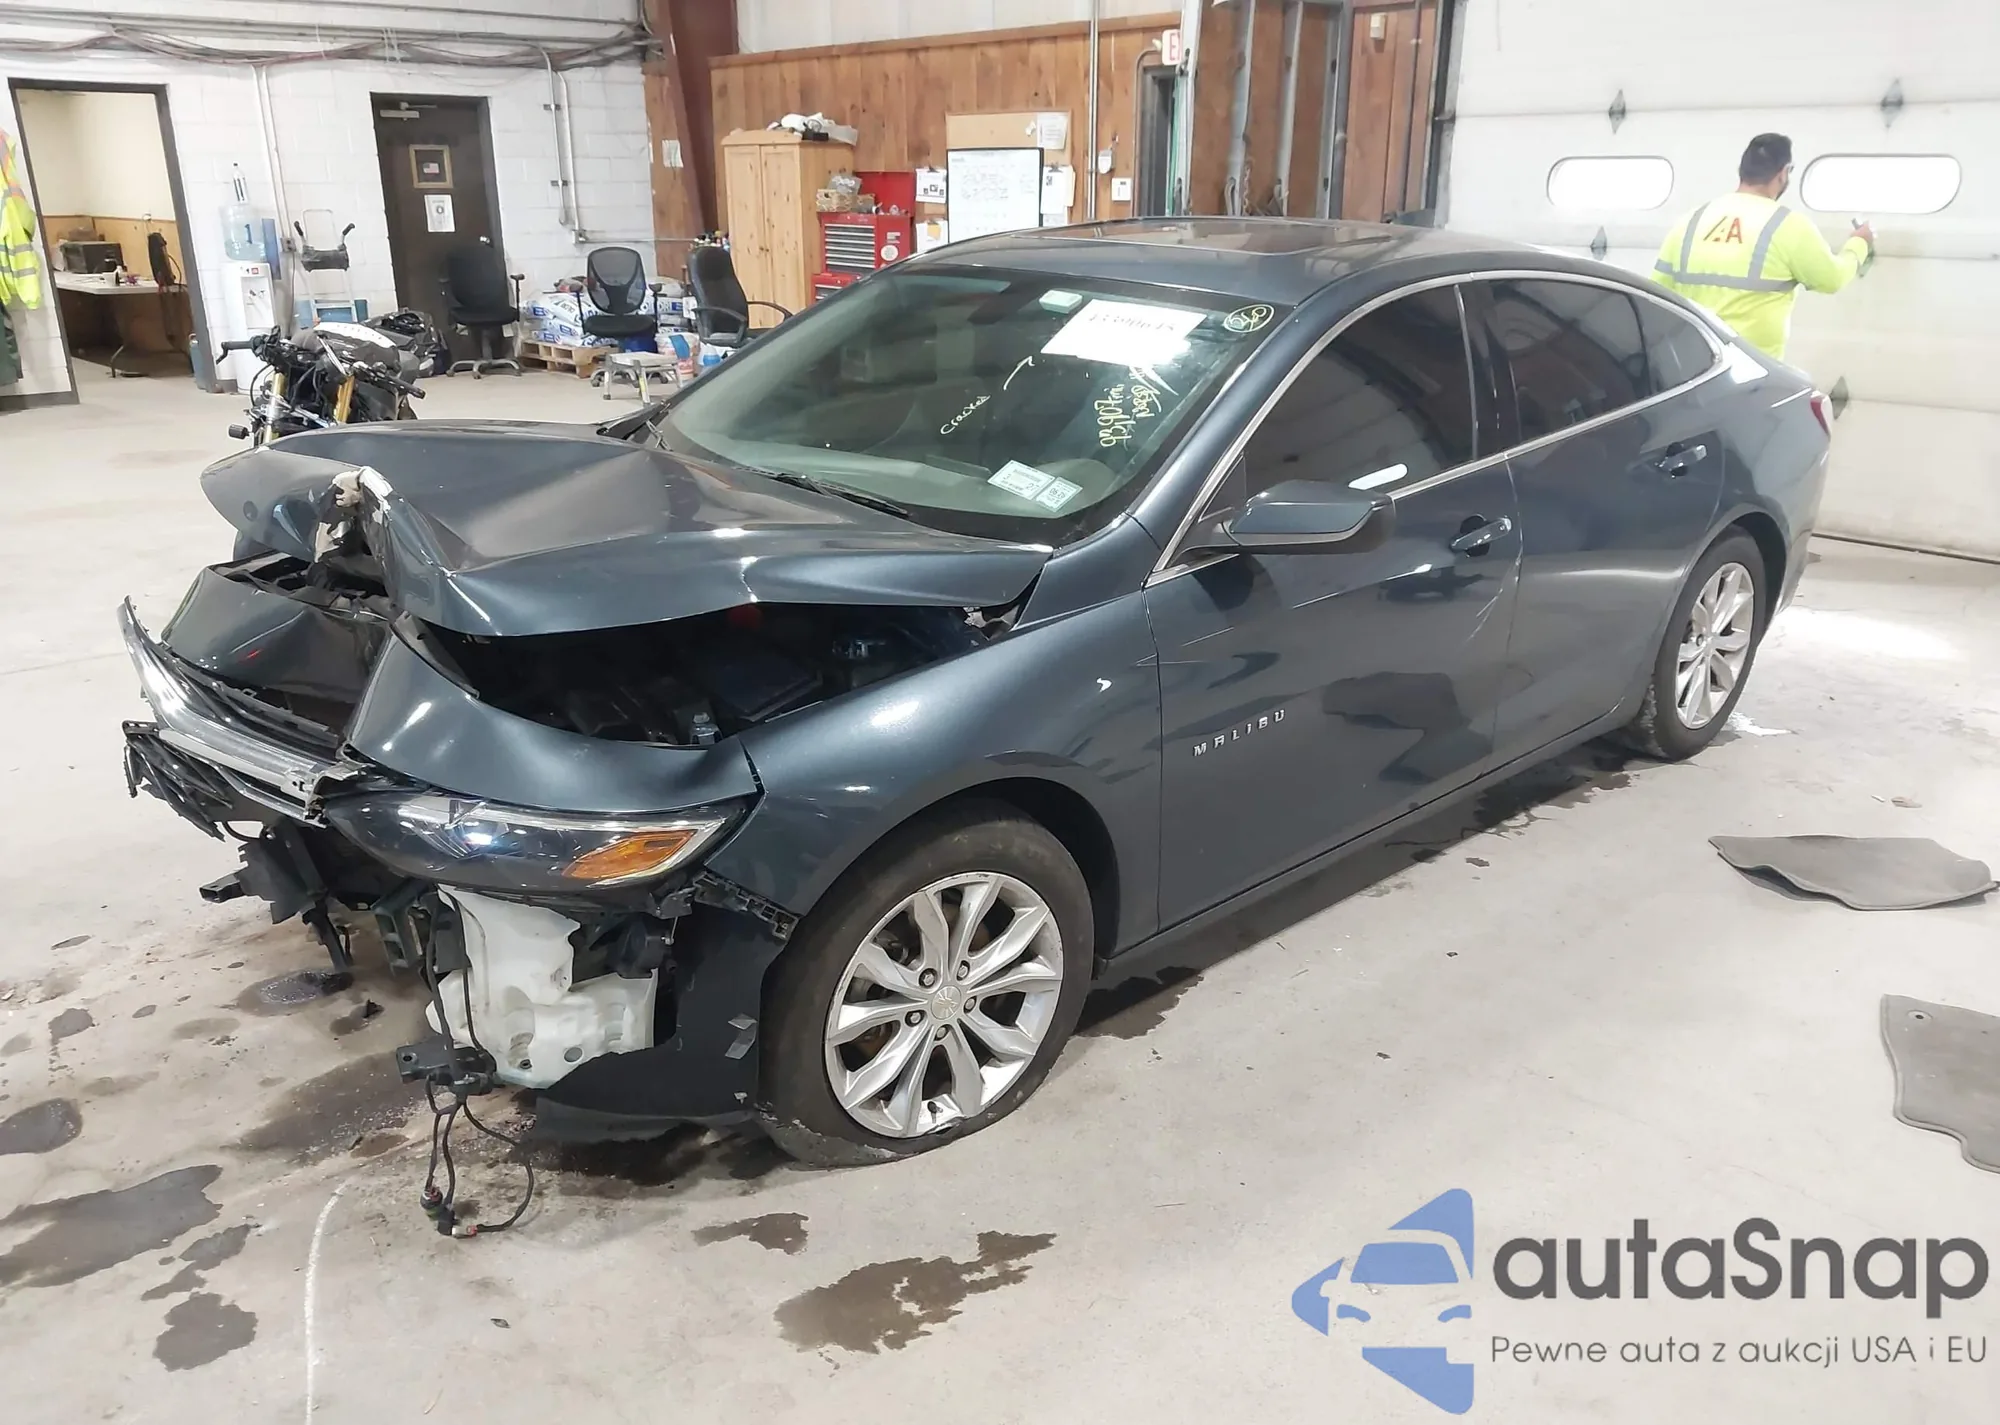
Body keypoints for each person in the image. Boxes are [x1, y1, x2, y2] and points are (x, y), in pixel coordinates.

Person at [1652, 133, 1872, 362]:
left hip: (1691, 367)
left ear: (1742, 170)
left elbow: (1657, 292)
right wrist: (1859, 244)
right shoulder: (1788, 226)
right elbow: (1832, 278)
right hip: (1753, 370)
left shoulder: (1690, 221)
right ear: (1783, 172)